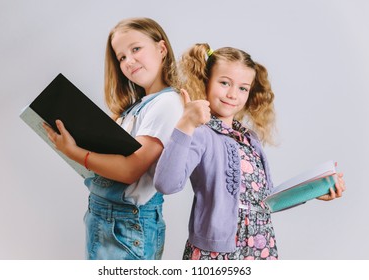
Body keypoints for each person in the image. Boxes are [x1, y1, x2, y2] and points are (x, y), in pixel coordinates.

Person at [154, 43, 346, 260]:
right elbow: (166, 184)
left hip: (260, 247)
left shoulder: (248, 138)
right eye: (225, 83)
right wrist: (186, 124)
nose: (233, 94)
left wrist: (313, 191)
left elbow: (265, 201)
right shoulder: (201, 133)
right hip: (218, 254)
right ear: (206, 81)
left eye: (243, 88)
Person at [43, 17, 183, 260]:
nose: (129, 61)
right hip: (104, 217)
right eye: (122, 57)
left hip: (126, 225)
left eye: (135, 49)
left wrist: (75, 151)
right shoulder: (136, 107)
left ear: (161, 49)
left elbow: (131, 170)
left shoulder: (168, 103)